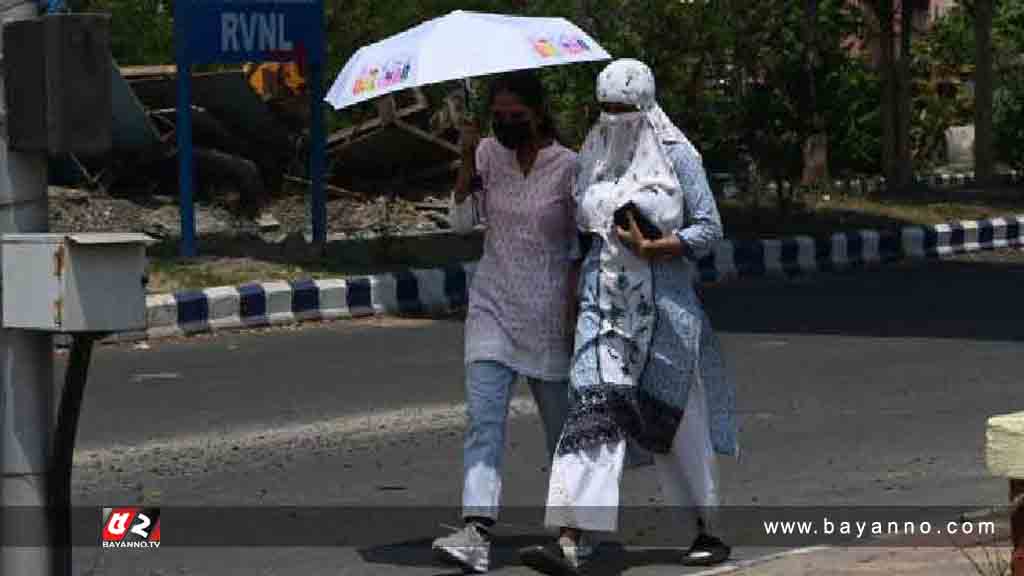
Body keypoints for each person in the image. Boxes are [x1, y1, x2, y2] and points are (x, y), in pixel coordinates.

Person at [519, 59, 738, 575]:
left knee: (674, 419)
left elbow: (709, 228)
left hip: (663, 310)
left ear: (644, 106)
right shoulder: (594, 152)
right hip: (604, 308)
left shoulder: (679, 155)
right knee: (591, 412)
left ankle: (704, 529)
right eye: (606, 109)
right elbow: (583, 230)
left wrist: (659, 245)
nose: (613, 118)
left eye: (623, 109)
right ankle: (572, 537)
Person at [431, 70, 581, 574]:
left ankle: (574, 533)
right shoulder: (488, 155)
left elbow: (584, 245)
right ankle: (476, 528)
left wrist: (577, 308)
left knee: (563, 431)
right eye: (498, 117)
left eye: (515, 117)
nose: (506, 125)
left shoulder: (569, 166)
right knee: (483, 419)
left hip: (549, 314)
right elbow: (460, 222)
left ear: (538, 114)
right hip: (492, 305)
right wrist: (465, 156)